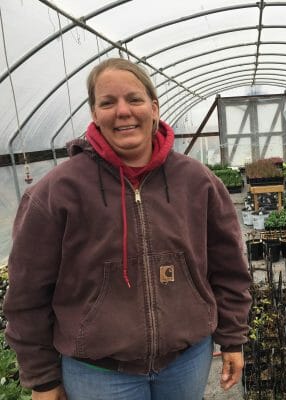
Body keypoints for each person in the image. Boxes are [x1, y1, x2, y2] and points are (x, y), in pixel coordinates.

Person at [3, 57, 252, 400]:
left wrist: (233, 337)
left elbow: (229, 267)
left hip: (186, 361)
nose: (123, 111)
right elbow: (27, 294)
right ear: (94, 114)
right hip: (97, 372)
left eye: (134, 99)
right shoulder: (55, 192)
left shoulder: (197, 181)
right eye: (108, 102)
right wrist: (42, 378)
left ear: (154, 108)